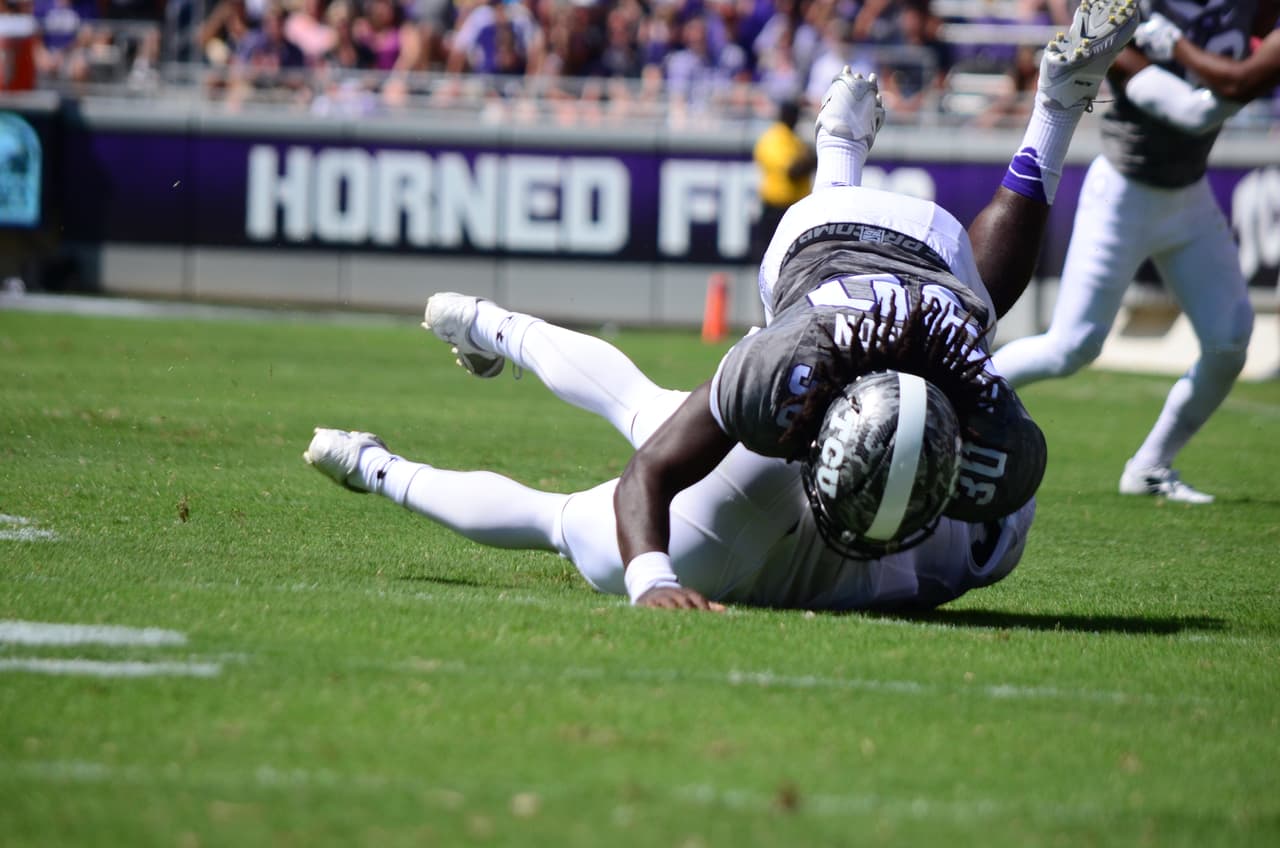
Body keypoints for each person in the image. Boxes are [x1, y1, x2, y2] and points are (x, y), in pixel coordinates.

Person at [305, 0, 1141, 611]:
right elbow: (653, 474)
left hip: (925, 258)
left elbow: (982, 316)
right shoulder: (803, 392)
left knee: (967, 314)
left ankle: (893, 144)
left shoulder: (990, 495)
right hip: (837, 265)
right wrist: (650, 577)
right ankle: (382, 458)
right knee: (573, 518)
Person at [991, 0, 1280, 504]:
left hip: (1189, 195)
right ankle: (952, 394)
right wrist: (1205, 69)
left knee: (1230, 342)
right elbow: (1187, 107)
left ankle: (1150, 466)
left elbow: (1237, 83)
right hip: (1123, 190)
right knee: (1071, 346)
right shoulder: (1135, 5)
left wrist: (1181, 48)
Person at [751, 98, 816, 262]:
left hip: (793, 209)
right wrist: (810, 159)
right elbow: (793, 171)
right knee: (774, 259)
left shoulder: (793, 138)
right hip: (777, 209)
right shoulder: (775, 138)